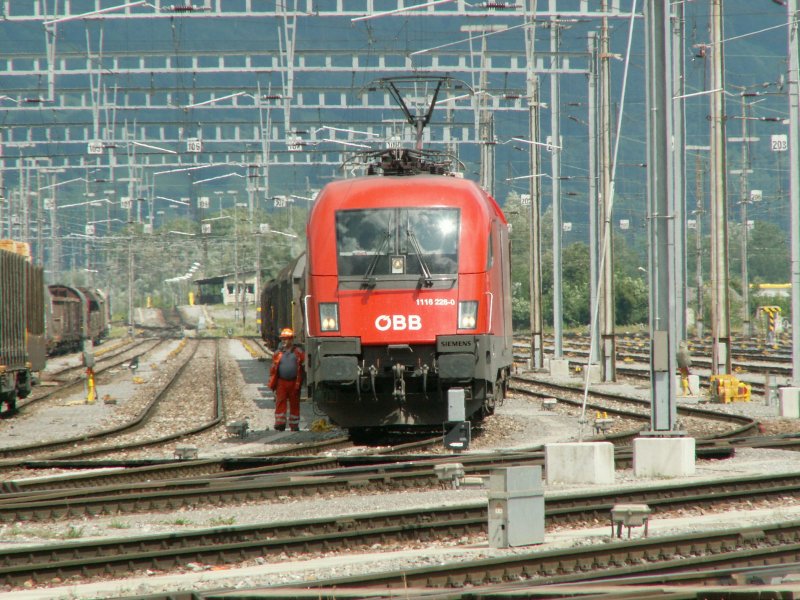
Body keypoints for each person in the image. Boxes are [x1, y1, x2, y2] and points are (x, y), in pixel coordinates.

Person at [268, 328, 305, 431]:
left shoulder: (298, 352)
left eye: (286, 339)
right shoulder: (278, 354)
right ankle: (280, 424)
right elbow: (273, 369)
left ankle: (294, 425)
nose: (284, 341)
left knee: (294, 403)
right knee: (280, 402)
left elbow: (305, 361)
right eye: (282, 339)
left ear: (291, 340)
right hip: (281, 382)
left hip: (294, 383)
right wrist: (272, 383)